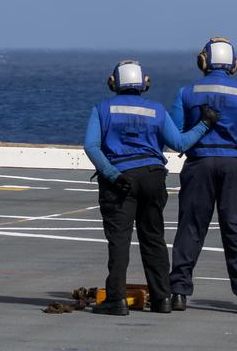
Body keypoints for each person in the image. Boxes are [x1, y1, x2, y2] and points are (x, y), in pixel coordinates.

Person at [83, 60, 214, 315]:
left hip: (120, 180)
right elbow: (180, 143)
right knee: (153, 238)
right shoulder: (156, 110)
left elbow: (91, 146)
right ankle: (162, 298)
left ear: (113, 83)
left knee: (119, 241)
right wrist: (205, 123)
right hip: (154, 177)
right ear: (145, 83)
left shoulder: (101, 110)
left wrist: (111, 174)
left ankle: (116, 300)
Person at [167, 38, 237, 314]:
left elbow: (176, 134)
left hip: (198, 163)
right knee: (236, 228)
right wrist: (236, 131)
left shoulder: (186, 92)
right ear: (233, 65)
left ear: (203, 62)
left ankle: (178, 291)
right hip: (233, 164)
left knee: (190, 226)